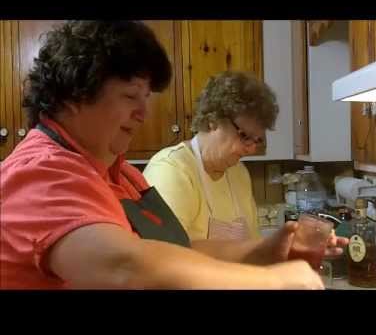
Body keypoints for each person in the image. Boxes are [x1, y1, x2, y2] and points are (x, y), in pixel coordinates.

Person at [0, 21, 347, 290]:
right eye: (130, 95)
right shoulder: (41, 172)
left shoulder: (120, 174)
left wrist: (266, 251)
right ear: (75, 93)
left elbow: (176, 249)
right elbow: (125, 266)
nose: (143, 113)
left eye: (146, 97)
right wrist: (275, 280)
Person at [143, 71, 276, 241]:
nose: (250, 150)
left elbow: (252, 245)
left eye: (257, 140)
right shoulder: (170, 170)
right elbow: (164, 254)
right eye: (244, 136)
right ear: (214, 120)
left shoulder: (239, 173)